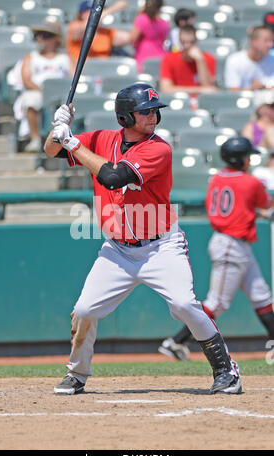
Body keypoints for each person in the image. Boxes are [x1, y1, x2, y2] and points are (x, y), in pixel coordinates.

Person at [44, 82, 242, 395]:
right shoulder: (100, 139)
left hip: (161, 247)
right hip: (117, 251)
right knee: (84, 310)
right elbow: (51, 150)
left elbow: (111, 177)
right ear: (125, 117)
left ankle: (226, 371)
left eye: (155, 111)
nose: (153, 116)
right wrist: (57, 127)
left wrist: (72, 143)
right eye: (145, 111)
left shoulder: (158, 148)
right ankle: (77, 374)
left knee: (185, 304)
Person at [159, 137, 274, 361]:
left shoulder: (217, 178)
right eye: (247, 156)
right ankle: (175, 342)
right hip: (231, 244)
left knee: (262, 296)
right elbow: (266, 203)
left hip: (233, 242)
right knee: (217, 303)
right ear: (239, 159)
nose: (249, 160)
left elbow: (241, 207)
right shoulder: (250, 182)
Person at [12, 20, 72, 153]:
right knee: (31, 100)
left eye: (45, 35)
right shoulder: (30, 57)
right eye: (38, 35)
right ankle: (35, 139)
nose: (40, 39)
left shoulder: (65, 58)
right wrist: (46, 92)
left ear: (56, 39)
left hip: (62, 94)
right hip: (38, 92)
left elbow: (73, 79)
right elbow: (27, 80)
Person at [159, 25, 217, 95]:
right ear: (180, 41)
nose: (187, 46)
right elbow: (166, 89)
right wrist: (199, 90)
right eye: (184, 42)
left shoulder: (208, 58)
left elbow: (208, 88)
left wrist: (200, 60)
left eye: (191, 42)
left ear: (196, 41)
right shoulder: (168, 59)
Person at [67, 0, 131, 62]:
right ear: (82, 14)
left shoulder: (104, 32)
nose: (97, 13)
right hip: (81, 70)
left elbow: (130, 37)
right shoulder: (75, 26)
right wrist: (114, 8)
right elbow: (84, 28)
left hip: (102, 69)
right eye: (92, 11)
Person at [224, 25, 274, 92]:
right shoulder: (235, 60)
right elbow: (232, 92)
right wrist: (252, 89)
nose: (270, 45)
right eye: (266, 41)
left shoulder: (272, 61)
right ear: (253, 41)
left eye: (271, 41)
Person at [128, 0, 169, 73]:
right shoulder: (164, 23)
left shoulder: (141, 19)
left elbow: (132, 38)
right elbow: (164, 40)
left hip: (143, 59)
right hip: (161, 59)